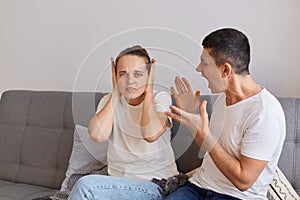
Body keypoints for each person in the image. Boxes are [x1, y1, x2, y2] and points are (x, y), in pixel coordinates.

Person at [165, 28, 286, 200]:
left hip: (236, 196)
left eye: (205, 63)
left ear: (225, 70)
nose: (199, 69)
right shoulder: (222, 100)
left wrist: (205, 136)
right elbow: (211, 147)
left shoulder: (264, 112)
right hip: (198, 186)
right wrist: (192, 116)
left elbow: (244, 181)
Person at [68, 45, 178, 200]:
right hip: (117, 184)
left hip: (156, 185)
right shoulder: (109, 100)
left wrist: (149, 89)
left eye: (138, 74)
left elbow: (151, 133)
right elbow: (97, 135)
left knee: (86, 187)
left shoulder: (160, 97)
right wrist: (115, 93)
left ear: (149, 75)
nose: (130, 81)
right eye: (123, 74)